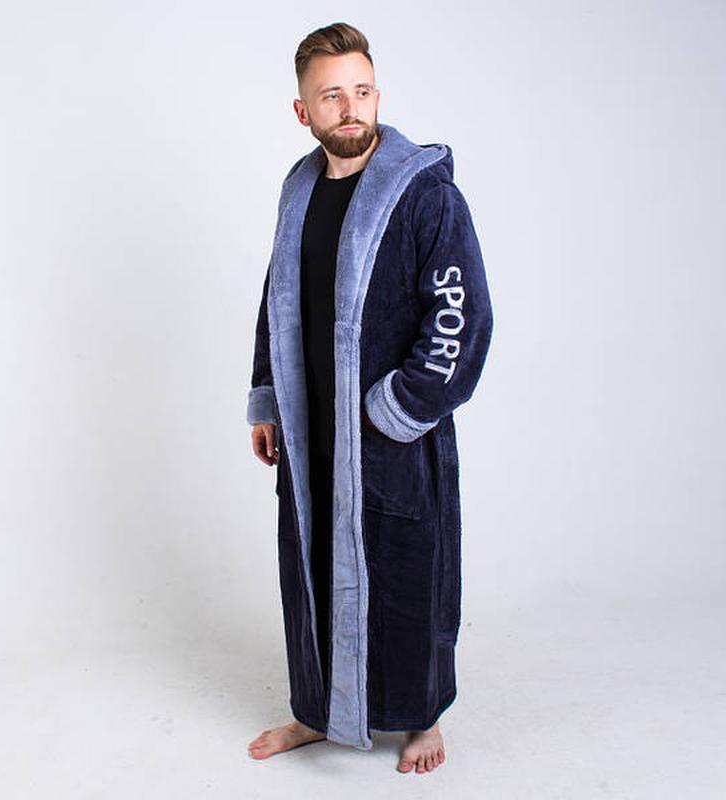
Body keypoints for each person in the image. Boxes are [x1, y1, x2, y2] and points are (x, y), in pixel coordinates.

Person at [245, 22, 493, 774]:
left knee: (409, 572)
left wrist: (401, 408)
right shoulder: (298, 191)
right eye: (331, 96)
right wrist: (268, 398)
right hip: (311, 423)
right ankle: (318, 711)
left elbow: (460, 316)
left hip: (390, 434)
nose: (350, 108)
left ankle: (421, 719)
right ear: (304, 111)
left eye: (361, 91)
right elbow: (277, 299)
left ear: (377, 95)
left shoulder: (423, 194)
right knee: (311, 568)